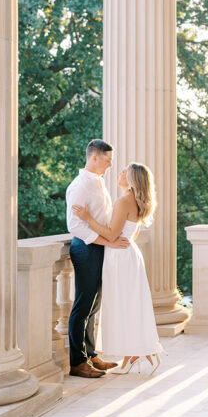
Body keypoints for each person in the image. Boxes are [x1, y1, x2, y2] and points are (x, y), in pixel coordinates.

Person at [73, 162, 163, 375]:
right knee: (130, 304)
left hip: (119, 256)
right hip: (129, 254)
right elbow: (131, 234)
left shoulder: (124, 201)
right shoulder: (139, 202)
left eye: (124, 172)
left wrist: (87, 219)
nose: (120, 173)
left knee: (122, 305)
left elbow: (112, 234)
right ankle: (137, 351)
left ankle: (134, 353)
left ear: (131, 179)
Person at [66, 139, 130, 378]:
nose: (111, 165)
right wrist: (107, 241)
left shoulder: (98, 182)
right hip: (85, 249)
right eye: (107, 160)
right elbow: (75, 226)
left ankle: (91, 355)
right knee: (82, 306)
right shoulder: (80, 186)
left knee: (94, 305)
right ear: (94, 157)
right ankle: (77, 362)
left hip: (99, 248)